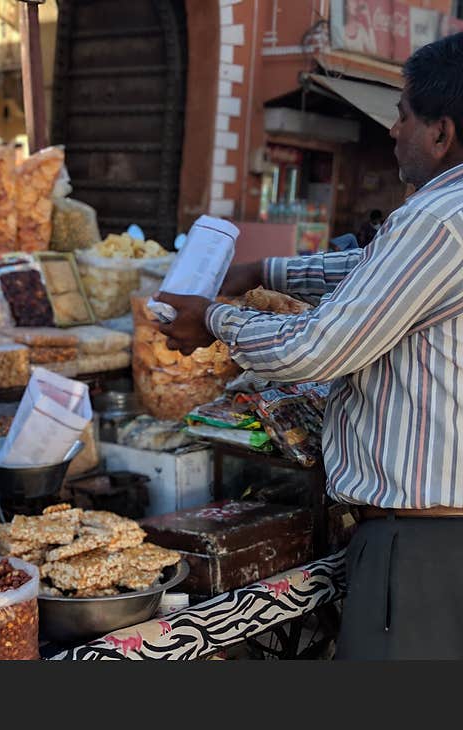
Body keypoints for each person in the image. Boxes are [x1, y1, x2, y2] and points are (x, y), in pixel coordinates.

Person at [156, 32, 463, 660]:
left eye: (402, 116)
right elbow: (372, 274)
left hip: (426, 540)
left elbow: (319, 349)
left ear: (441, 133)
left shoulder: (437, 218)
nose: (392, 132)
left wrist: (211, 319)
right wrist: (262, 274)